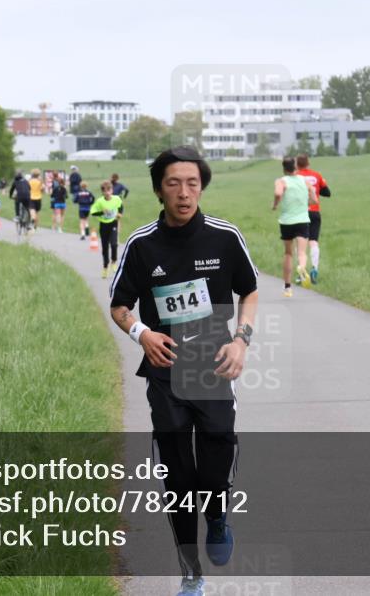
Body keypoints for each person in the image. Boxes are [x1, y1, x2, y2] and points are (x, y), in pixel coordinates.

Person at [108, 146, 258, 596]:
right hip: (166, 372)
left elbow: (249, 292)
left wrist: (241, 340)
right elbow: (118, 306)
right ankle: (191, 574)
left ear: (202, 187)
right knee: (177, 477)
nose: (184, 192)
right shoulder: (141, 244)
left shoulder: (224, 237)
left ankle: (217, 514)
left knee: (213, 472)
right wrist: (142, 335)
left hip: (213, 368)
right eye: (173, 183)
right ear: (159, 189)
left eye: (192, 183)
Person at [272, 157, 316, 297]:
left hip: (286, 222)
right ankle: (301, 267)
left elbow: (278, 193)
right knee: (302, 252)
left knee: (288, 253)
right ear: (296, 167)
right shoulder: (305, 181)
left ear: (284, 168)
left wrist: (275, 204)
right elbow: (314, 199)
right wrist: (306, 201)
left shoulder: (281, 181)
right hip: (302, 220)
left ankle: (287, 287)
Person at [295, 154, 331, 283]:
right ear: (308, 163)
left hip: (300, 213)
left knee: (300, 244)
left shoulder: (294, 176)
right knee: (314, 241)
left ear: (297, 164)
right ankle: (315, 268)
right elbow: (327, 193)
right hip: (315, 212)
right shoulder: (316, 175)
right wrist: (316, 190)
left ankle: (301, 273)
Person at [90, 181, 124, 278]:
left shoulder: (116, 199)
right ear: (102, 192)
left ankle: (114, 261)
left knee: (114, 244)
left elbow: (121, 206)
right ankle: (105, 267)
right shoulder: (100, 201)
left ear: (112, 190)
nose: (107, 193)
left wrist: (120, 213)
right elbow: (93, 212)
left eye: (109, 190)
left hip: (113, 223)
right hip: (103, 225)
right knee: (105, 248)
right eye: (105, 191)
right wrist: (101, 212)